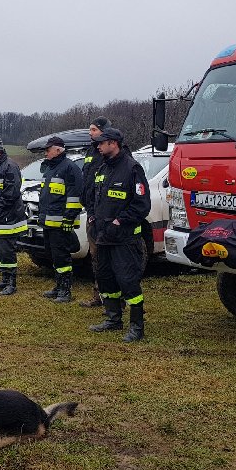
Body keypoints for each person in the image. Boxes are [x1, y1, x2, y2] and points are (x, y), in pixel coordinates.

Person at [87, 127, 151, 342]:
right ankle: (113, 318)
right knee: (105, 279)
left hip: (124, 239)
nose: (98, 146)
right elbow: (96, 198)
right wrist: (92, 216)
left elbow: (141, 205)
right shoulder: (103, 168)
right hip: (103, 236)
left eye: (102, 142)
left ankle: (137, 327)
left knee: (128, 281)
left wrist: (119, 221)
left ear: (113, 143)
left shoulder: (132, 168)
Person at [38, 135, 83, 303]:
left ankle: (65, 290)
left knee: (62, 256)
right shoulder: (50, 169)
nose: (45, 153)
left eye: (48, 150)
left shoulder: (70, 168)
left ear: (58, 150)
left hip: (61, 223)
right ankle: (58, 286)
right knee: (53, 255)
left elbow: (75, 196)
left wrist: (69, 219)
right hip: (48, 222)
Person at [0, 137, 27, 296]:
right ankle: (4, 279)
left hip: (8, 218)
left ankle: (11, 283)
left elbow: (10, 194)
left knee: (7, 251)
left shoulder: (10, 166)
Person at [79, 116, 111, 308]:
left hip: (105, 214)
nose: (90, 133)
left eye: (93, 129)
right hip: (92, 212)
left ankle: (113, 299)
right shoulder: (92, 151)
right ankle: (99, 295)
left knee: (107, 257)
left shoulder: (113, 154)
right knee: (96, 257)